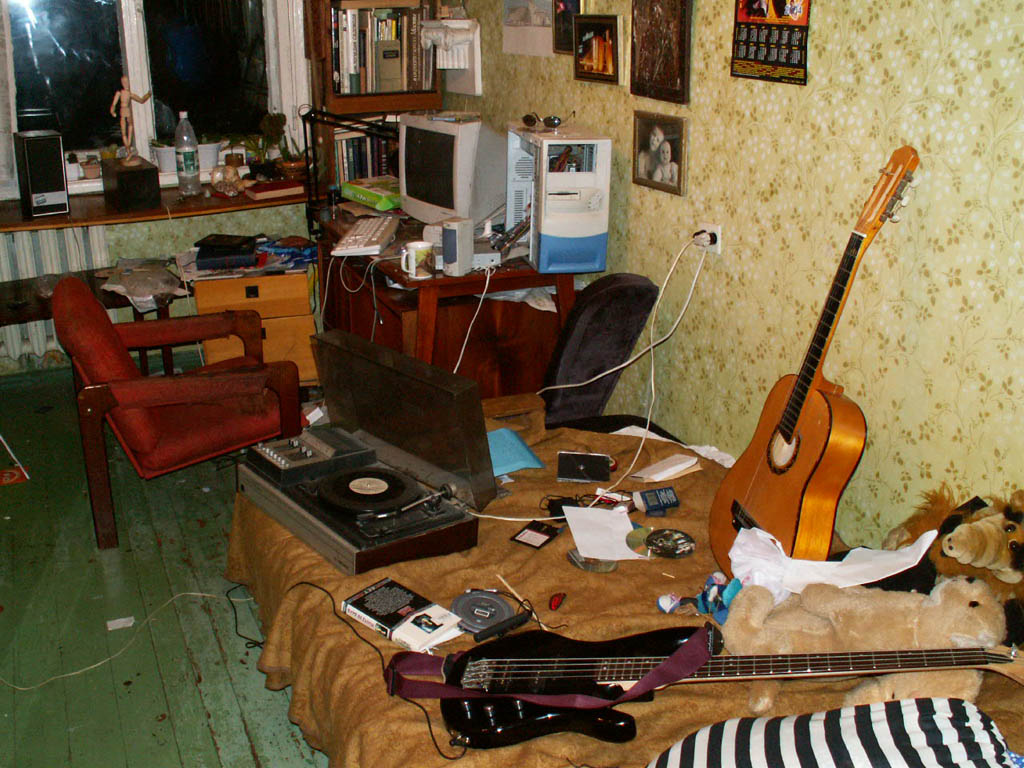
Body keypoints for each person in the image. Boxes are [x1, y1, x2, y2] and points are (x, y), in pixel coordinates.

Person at [109, 75, 151, 160]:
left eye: (127, 82)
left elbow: (141, 100)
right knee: (124, 132)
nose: (125, 84)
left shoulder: (129, 94)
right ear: (122, 83)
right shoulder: (119, 93)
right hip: (123, 111)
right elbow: (113, 104)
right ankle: (128, 150)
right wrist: (112, 112)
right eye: (124, 82)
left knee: (130, 128)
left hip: (127, 112)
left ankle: (128, 149)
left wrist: (148, 94)